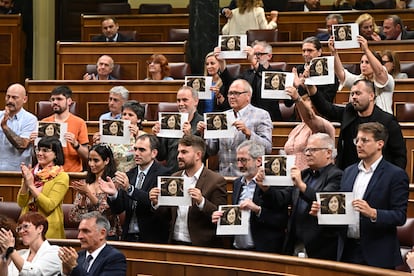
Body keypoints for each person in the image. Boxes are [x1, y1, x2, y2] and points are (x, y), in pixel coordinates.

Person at [312, 122, 409, 269]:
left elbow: (400, 216)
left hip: (377, 254)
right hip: (347, 250)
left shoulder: (395, 175)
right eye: (357, 140)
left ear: (380, 144)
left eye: (365, 140)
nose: (358, 144)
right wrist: (323, 212)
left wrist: (373, 213)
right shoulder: (349, 172)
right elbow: (342, 210)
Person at [309, 79, 406, 170]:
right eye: (352, 94)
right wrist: (310, 86)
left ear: (371, 96)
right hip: (348, 174)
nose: (354, 97)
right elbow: (326, 109)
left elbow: (399, 156)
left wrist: (391, 179)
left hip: (377, 177)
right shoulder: (349, 112)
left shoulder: (387, 121)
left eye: (358, 93)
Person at [149, 135, 227, 247]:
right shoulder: (174, 178)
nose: (179, 156)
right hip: (175, 243)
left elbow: (221, 217)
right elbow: (166, 215)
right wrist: (156, 203)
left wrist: (202, 202)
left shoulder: (216, 180)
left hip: (202, 246)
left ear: (198, 155)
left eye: (184, 152)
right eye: (179, 152)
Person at [212, 140, 289, 253]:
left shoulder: (272, 183)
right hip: (238, 249)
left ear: (258, 161)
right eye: (237, 160)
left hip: (263, 251)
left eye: (243, 160)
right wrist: (222, 218)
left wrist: (257, 210)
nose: (239, 165)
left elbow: (281, 220)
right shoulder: (237, 183)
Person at [100, 134, 171, 243]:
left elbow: (152, 201)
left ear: (154, 153)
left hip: (152, 238)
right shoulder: (130, 174)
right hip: (128, 236)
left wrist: (129, 189)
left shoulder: (164, 174)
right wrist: (113, 195)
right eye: (135, 149)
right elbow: (119, 209)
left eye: (142, 150)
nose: (137, 153)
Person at [283, 133, 342, 260]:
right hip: (295, 242)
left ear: (328, 153)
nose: (307, 153)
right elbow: (283, 198)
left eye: (313, 150)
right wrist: (265, 189)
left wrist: (301, 185)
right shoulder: (304, 174)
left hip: (321, 246)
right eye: (306, 150)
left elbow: (325, 202)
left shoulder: (336, 176)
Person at [201, 79, 273, 177]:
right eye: (230, 93)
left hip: (247, 177)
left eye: (236, 93)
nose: (231, 97)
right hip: (224, 176)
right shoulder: (223, 116)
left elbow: (267, 148)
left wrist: (249, 133)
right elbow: (212, 150)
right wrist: (204, 134)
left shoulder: (261, 115)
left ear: (248, 96)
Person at [328, 34, 394, 114]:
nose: (363, 65)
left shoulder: (388, 80)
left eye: (367, 62)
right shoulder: (358, 80)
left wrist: (366, 50)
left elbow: (380, 72)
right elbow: (341, 74)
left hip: (382, 123)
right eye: (362, 62)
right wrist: (333, 52)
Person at [18, 136, 69, 238]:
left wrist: (31, 186)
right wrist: (25, 183)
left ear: (55, 154)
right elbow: (21, 203)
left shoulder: (61, 176)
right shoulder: (31, 173)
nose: (40, 153)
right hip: (26, 227)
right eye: (38, 149)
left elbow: (49, 206)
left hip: (48, 230)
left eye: (45, 150)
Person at [69, 144, 122, 241]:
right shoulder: (85, 183)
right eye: (90, 160)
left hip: (108, 235)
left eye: (96, 160)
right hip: (87, 234)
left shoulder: (114, 183)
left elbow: (106, 212)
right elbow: (75, 217)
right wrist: (84, 197)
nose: (91, 164)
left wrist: (88, 193)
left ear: (106, 161)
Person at [35, 85, 89, 172]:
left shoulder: (79, 123)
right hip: (48, 173)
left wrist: (76, 144)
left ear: (69, 101)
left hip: (72, 173)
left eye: (59, 99)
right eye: (52, 99)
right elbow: (38, 154)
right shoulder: (45, 122)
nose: (55, 102)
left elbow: (87, 155)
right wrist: (34, 142)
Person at [152, 86, 204, 173]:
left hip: (193, 174)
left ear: (196, 101)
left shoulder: (202, 124)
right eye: (178, 100)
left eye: (185, 100)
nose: (181, 104)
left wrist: (189, 136)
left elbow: (204, 155)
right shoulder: (170, 121)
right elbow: (161, 156)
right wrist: (157, 136)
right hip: (172, 174)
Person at [284, 85, 335, 171]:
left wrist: (298, 99)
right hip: (292, 177)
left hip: (314, 177)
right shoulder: (295, 130)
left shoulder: (325, 126)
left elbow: (310, 117)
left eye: (307, 107)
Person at [59, 211, 127, 276]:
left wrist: (74, 266)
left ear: (102, 234)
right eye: (79, 231)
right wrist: (65, 272)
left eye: (86, 231)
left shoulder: (115, 258)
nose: (79, 236)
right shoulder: (78, 256)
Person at [94, 100, 146, 172]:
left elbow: (145, 158)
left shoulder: (144, 136)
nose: (126, 117)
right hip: (112, 173)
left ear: (139, 119)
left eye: (130, 115)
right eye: (124, 114)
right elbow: (103, 156)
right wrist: (98, 144)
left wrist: (136, 135)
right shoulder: (112, 134)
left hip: (134, 175)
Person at [237, 40, 284, 121]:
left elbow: (265, 77)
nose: (255, 56)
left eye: (258, 54)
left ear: (269, 56)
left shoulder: (277, 73)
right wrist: (221, 63)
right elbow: (230, 84)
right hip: (248, 119)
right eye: (253, 54)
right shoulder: (246, 74)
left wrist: (255, 64)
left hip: (271, 119)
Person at [0, 83, 37, 171]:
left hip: (18, 171)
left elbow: (22, 145)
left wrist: (5, 127)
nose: (10, 100)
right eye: (8, 96)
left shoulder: (30, 119)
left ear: (24, 99)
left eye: (14, 97)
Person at [294, 37, 338, 104]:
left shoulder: (329, 72)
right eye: (304, 51)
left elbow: (327, 100)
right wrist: (297, 87)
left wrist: (308, 86)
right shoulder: (298, 70)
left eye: (310, 50)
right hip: (299, 112)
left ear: (319, 52)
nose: (305, 54)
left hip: (322, 113)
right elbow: (287, 103)